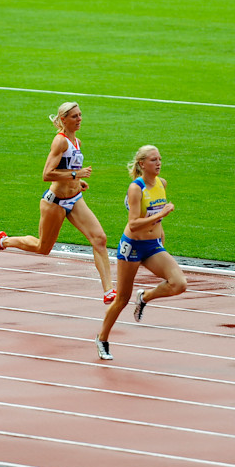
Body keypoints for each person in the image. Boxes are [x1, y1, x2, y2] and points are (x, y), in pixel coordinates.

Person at [0, 102, 116, 303]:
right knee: (43, 248)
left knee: (99, 239)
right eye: (74, 116)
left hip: (75, 200)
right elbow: (47, 174)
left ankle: (109, 290)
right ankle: (3, 241)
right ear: (63, 119)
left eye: (80, 115)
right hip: (55, 202)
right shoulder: (60, 142)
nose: (79, 119)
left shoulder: (77, 142)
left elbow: (66, 170)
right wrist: (76, 174)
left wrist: (78, 181)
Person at [96, 145, 187, 360]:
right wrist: (161, 214)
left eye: (160, 159)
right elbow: (134, 223)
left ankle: (145, 297)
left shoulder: (162, 184)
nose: (158, 163)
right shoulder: (136, 188)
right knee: (122, 299)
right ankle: (102, 338)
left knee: (179, 283)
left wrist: (161, 238)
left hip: (153, 245)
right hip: (133, 246)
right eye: (154, 160)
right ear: (142, 164)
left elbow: (158, 217)